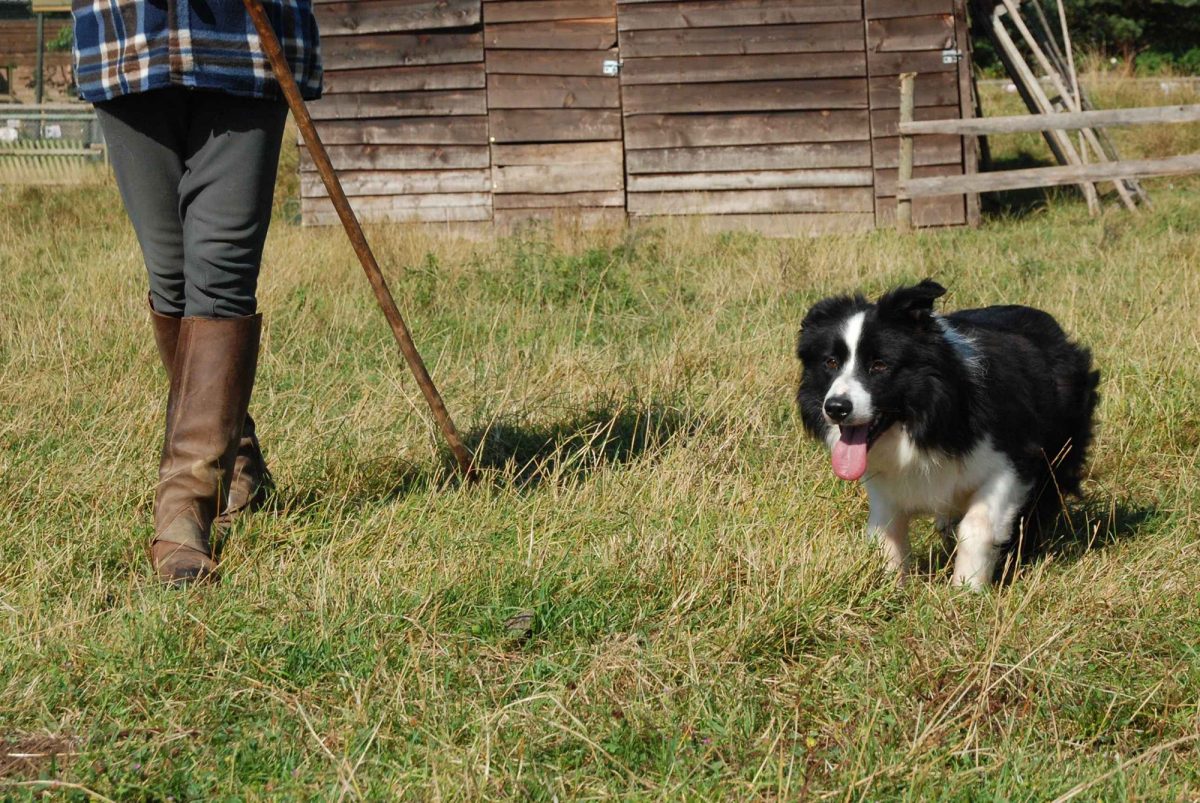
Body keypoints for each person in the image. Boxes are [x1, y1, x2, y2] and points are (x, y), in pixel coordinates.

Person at [72, 1, 322, 584]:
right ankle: (235, 462)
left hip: (243, 40)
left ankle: (182, 513)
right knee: (173, 278)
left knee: (222, 272)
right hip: (127, 33)